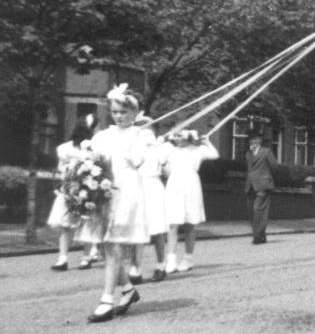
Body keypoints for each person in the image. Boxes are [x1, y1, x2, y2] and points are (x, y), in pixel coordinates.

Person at [76, 84, 151, 323]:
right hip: (103, 194)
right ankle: (128, 290)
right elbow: (90, 161)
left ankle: (107, 299)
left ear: (134, 113)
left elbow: (138, 161)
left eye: (124, 112)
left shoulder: (142, 135)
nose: (119, 116)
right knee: (109, 246)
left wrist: (131, 146)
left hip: (126, 193)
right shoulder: (102, 136)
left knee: (114, 246)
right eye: (116, 111)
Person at [47, 115, 100, 271]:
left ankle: (85, 257)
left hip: (89, 188)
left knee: (86, 223)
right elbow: (60, 167)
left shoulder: (95, 147)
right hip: (71, 188)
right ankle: (64, 258)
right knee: (67, 224)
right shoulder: (66, 149)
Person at [163, 129, 218, 273]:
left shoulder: (197, 150)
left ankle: (188, 259)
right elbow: (160, 161)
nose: (177, 137)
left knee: (190, 224)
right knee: (172, 224)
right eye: (176, 134)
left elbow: (214, 154)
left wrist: (206, 141)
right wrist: (163, 141)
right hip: (174, 186)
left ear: (188, 136)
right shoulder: (170, 150)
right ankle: (171, 260)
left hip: (191, 186)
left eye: (180, 134)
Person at [128, 116, 168, 283]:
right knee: (138, 228)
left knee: (157, 228)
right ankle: (135, 269)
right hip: (137, 186)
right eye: (139, 126)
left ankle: (160, 265)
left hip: (153, 186)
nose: (143, 130)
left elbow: (166, 172)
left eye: (145, 126)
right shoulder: (133, 145)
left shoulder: (160, 147)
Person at [245, 129, 278, 245]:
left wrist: (266, 178)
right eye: (251, 140)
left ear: (260, 140)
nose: (253, 142)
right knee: (252, 212)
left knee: (258, 210)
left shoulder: (266, 151)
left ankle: (257, 237)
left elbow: (275, 166)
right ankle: (261, 235)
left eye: (255, 139)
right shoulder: (248, 153)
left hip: (263, 185)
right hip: (250, 186)